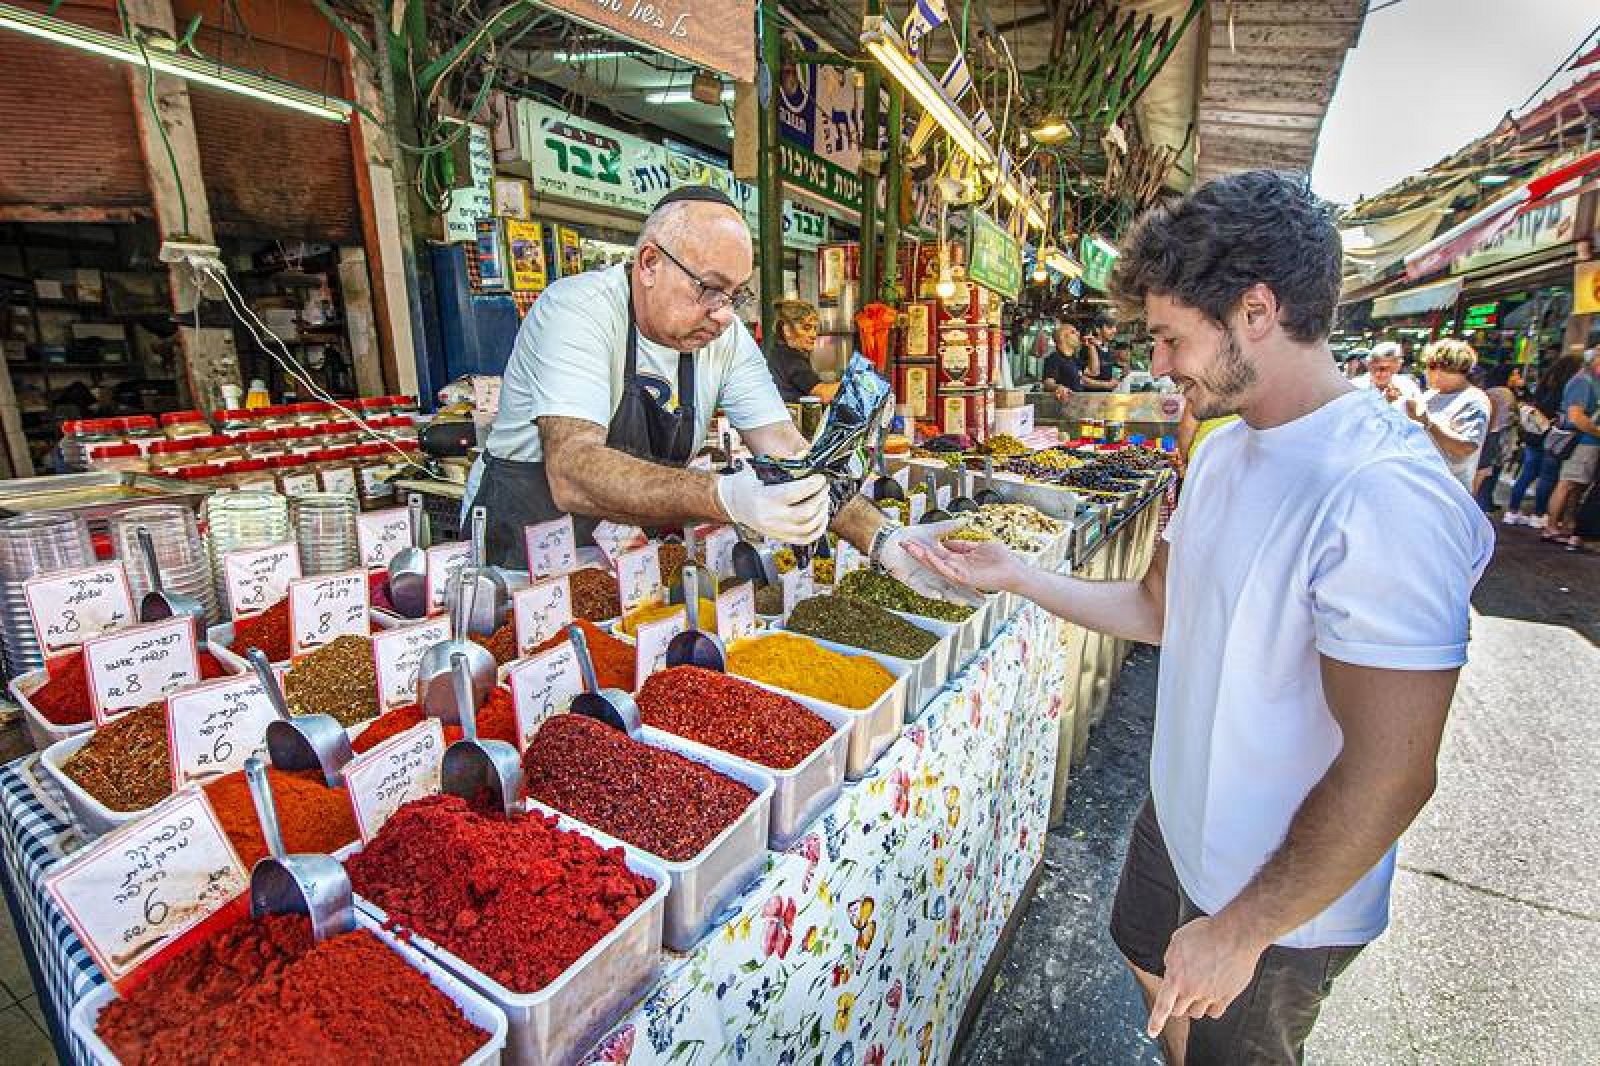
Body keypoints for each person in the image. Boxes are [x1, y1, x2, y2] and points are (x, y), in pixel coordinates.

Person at [904, 170, 1492, 1066]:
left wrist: (1243, 929)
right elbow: (1158, 609)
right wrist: (1017, 574)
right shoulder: (1223, 447)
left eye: (1172, 338)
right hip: (1179, 822)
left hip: (1281, 899)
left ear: (1256, 311)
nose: (1160, 365)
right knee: (1146, 962)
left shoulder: (1382, 493)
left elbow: (1393, 773)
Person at [463, 185, 972, 607]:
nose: (724, 313)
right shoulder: (578, 310)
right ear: (649, 263)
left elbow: (789, 451)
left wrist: (881, 536)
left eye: (735, 294)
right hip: (519, 567)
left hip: (625, 566)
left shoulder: (722, 339)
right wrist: (724, 496)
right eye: (709, 288)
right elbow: (573, 470)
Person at [1404, 338, 1491, 490]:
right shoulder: (1431, 394)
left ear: (1443, 368)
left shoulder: (1474, 401)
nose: (1426, 372)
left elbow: (1465, 448)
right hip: (1419, 482)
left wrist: (1428, 422)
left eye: (1429, 366)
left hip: (1446, 489)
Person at [1505, 354, 1581, 527]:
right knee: (1547, 477)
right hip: (1552, 437)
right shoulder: (1565, 388)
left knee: (1527, 474)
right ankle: (1538, 514)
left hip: (1534, 434)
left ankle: (1512, 511)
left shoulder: (1545, 383)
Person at [1541, 347, 1600, 550]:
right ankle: (1551, 527)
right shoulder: (1583, 381)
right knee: (1567, 483)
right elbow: (1576, 416)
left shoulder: (1589, 380)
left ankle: (1565, 525)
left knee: (1575, 486)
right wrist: (1597, 432)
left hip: (1586, 441)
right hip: (1581, 441)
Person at [765, 300, 838, 403]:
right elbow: (824, 394)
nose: (813, 335)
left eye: (815, 328)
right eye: (806, 328)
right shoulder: (790, 358)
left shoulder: (779, 353)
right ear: (787, 330)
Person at [1472, 365, 1521, 511]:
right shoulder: (1505, 393)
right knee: (1490, 471)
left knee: (1485, 472)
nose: (1518, 378)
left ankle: (1484, 502)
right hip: (1497, 437)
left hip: (1487, 435)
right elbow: (1508, 418)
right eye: (1515, 374)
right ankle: (1484, 504)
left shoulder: (1489, 390)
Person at [1351, 341, 1419, 407]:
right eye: (1376, 368)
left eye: (1387, 368)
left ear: (1398, 367)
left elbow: (1420, 411)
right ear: (1369, 365)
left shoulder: (1407, 385)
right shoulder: (1355, 386)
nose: (1381, 373)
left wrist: (1410, 405)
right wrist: (1384, 402)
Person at [1042, 322, 1085, 400]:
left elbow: (1094, 371)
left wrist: (1091, 346)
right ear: (1062, 337)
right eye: (1073, 332)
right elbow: (1048, 383)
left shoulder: (1074, 359)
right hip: (1063, 404)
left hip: (1076, 403)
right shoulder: (1054, 358)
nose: (1078, 334)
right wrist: (1058, 387)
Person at [1081, 314, 1120, 390]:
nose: (1114, 330)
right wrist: (1106, 385)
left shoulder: (1107, 348)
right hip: (1090, 395)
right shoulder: (1088, 348)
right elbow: (1081, 378)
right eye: (1109, 327)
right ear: (1097, 329)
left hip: (1105, 395)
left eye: (1115, 327)